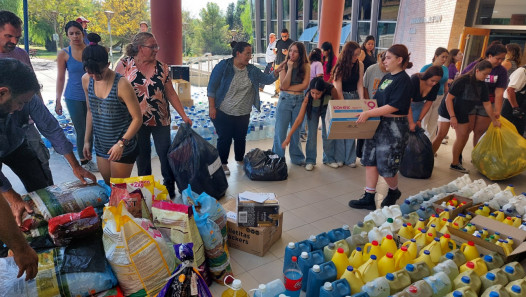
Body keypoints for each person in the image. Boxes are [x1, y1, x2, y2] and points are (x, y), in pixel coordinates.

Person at [115, 32, 191, 197]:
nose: (157, 49)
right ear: (140, 48)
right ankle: (145, 190)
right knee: (142, 157)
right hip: (136, 121)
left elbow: (170, 94)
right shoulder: (124, 64)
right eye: (152, 46)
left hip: (161, 119)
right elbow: (115, 92)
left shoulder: (162, 67)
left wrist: (184, 115)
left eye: (157, 46)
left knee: (165, 154)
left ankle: (169, 188)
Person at [348, 44, 413, 210]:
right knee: (370, 160)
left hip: (394, 127)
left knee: (387, 166)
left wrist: (369, 113)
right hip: (378, 123)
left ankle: (393, 191)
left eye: (389, 57)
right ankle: (369, 197)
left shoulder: (404, 80)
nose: (385, 60)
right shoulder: (387, 78)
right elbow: (377, 102)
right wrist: (364, 110)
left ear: (400, 60)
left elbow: (394, 106)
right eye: (384, 57)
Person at [208, 41, 280, 175]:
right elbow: (211, 87)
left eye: (250, 54)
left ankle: (240, 160)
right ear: (238, 53)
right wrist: (212, 107)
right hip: (224, 110)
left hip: (243, 111)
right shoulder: (224, 66)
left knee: (240, 137)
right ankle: (223, 163)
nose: (249, 57)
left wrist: (275, 73)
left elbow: (266, 79)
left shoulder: (251, 70)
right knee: (225, 138)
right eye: (247, 54)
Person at [0, 10, 53, 188]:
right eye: (9, 36)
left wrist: (39, 111)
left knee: (39, 165)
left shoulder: (20, 54)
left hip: (23, 125)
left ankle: (48, 206)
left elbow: (33, 86)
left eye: (17, 37)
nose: (14, 41)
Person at [83, 34, 142, 185]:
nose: (95, 77)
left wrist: (121, 143)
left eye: (99, 73)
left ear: (108, 64)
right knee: (109, 185)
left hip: (123, 145)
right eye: (91, 73)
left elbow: (137, 118)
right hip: (102, 144)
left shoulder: (121, 84)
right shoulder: (86, 80)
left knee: (119, 189)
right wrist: (87, 141)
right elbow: (90, 111)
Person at [433, 60, 500, 173]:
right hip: (448, 110)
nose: (486, 76)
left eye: (488, 74)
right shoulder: (462, 80)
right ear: (477, 71)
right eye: (485, 74)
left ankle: (455, 163)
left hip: (463, 112)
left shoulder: (482, 85)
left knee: (463, 135)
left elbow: (487, 104)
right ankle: (427, 159)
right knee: (441, 134)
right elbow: (449, 99)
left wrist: (494, 120)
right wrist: (452, 117)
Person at [56, 21, 97, 172]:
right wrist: (58, 100)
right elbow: (60, 78)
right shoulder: (64, 53)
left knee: (93, 128)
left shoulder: (91, 50)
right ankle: (84, 161)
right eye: (71, 34)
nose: (75, 36)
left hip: (93, 94)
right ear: (67, 36)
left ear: (83, 33)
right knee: (81, 129)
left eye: (77, 33)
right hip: (73, 96)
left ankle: (94, 156)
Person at [281, 77, 339, 171]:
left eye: (318, 93)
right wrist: (289, 137)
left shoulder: (331, 90)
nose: (315, 96)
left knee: (327, 133)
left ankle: (329, 159)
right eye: (313, 93)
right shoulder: (308, 97)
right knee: (311, 135)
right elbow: (299, 119)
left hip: (327, 109)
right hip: (312, 111)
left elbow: (337, 104)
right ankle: (310, 161)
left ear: (323, 90)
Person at [462, 41, 507, 146]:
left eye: (502, 59)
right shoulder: (476, 65)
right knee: (466, 130)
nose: (500, 61)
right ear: (490, 56)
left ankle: (476, 155)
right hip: (470, 102)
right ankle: (458, 155)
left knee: (479, 131)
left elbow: (499, 92)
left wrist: (497, 110)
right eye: (498, 58)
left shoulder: (502, 71)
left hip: (487, 104)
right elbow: (462, 81)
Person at [272, 41, 310, 165]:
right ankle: (278, 158)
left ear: (301, 53)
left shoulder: (305, 65)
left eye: (295, 51)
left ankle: (297, 158)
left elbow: (304, 85)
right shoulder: (284, 64)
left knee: (296, 131)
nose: (292, 53)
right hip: (285, 100)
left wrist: (288, 88)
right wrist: (290, 69)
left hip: (299, 100)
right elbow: (283, 85)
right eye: (290, 50)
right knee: (280, 131)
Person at [332, 41, 364, 168]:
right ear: (348, 54)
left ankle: (350, 158)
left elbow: (360, 84)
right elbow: (338, 89)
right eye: (354, 55)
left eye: (358, 55)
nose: (356, 58)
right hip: (343, 97)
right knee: (341, 129)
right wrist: (343, 105)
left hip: (355, 96)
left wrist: (362, 100)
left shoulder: (360, 65)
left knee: (352, 129)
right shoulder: (340, 66)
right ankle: (339, 157)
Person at [421, 47, 449, 139]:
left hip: (440, 97)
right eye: (442, 57)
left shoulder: (445, 69)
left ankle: (429, 143)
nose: (444, 59)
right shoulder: (427, 68)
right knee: (424, 119)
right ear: (436, 56)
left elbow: (445, 84)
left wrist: (446, 96)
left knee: (434, 121)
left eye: (446, 57)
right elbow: (420, 82)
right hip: (427, 97)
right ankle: (420, 142)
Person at [408, 66, 442, 132]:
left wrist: (419, 120)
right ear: (427, 76)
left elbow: (428, 103)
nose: (434, 83)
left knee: (413, 130)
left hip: (419, 106)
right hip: (405, 105)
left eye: (437, 81)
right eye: (432, 80)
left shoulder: (436, 85)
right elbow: (407, 103)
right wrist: (411, 122)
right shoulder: (415, 79)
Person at [501, 65, 526, 136]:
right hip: (511, 104)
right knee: (506, 132)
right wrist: (516, 108)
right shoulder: (522, 72)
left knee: (518, 133)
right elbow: (510, 90)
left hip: (521, 104)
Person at [273, 28, 293, 98]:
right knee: (276, 78)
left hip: (286, 63)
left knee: (285, 78)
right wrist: (275, 52)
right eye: (282, 36)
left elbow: (294, 54)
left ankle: (284, 93)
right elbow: (276, 52)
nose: (284, 38)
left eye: (285, 36)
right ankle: (276, 92)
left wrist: (287, 53)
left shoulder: (291, 43)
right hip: (278, 62)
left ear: (288, 35)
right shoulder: (278, 42)